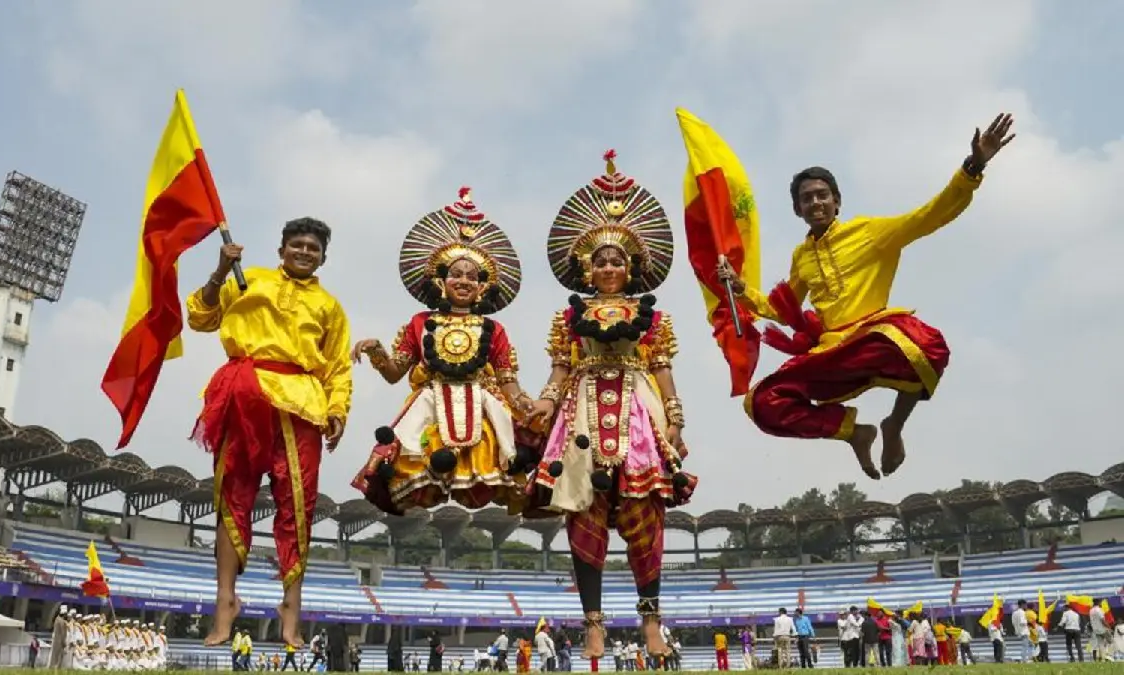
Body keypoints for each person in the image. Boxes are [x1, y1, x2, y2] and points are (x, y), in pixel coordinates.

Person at [717, 113, 1016, 479]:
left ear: (837, 201)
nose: (815, 203)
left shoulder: (870, 232)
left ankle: (894, 424)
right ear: (797, 210)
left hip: (875, 338)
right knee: (762, 403)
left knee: (926, 345)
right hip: (833, 353)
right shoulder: (801, 256)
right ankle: (854, 432)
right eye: (806, 199)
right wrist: (739, 289)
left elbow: (930, 214)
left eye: (822, 195)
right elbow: (783, 309)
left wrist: (974, 165)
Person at [526, 151, 697, 661]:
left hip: (638, 412)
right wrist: (543, 403)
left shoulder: (652, 317)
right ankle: (593, 624)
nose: (607, 267)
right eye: (599, 259)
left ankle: (651, 621)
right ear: (586, 266)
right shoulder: (568, 316)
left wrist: (675, 422)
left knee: (646, 514)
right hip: (580, 413)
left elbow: (664, 370)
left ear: (631, 267)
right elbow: (559, 369)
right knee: (583, 512)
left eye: (616, 259)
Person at [188, 217, 353, 647]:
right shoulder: (248, 279)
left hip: (302, 403)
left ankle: (290, 609)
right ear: (281, 250)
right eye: (296, 245)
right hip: (245, 393)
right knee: (232, 495)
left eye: (312, 248)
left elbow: (338, 366)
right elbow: (200, 316)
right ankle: (225, 602)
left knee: (297, 506)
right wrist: (221, 270)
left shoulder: (330, 306)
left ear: (323, 258)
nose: (303, 252)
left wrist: (338, 409)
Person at [352, 188, 533, 514]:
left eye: (472, 277)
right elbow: (395, 373)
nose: (463, 281)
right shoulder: (420, 323)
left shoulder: (495, 330)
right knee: (410, 462)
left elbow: (508, 382)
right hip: (430, 405)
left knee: (501, 458)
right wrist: (377, 350)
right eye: (456, 274)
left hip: (481, 407)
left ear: (482, 287)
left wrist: (527, 405)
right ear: (441, 281)